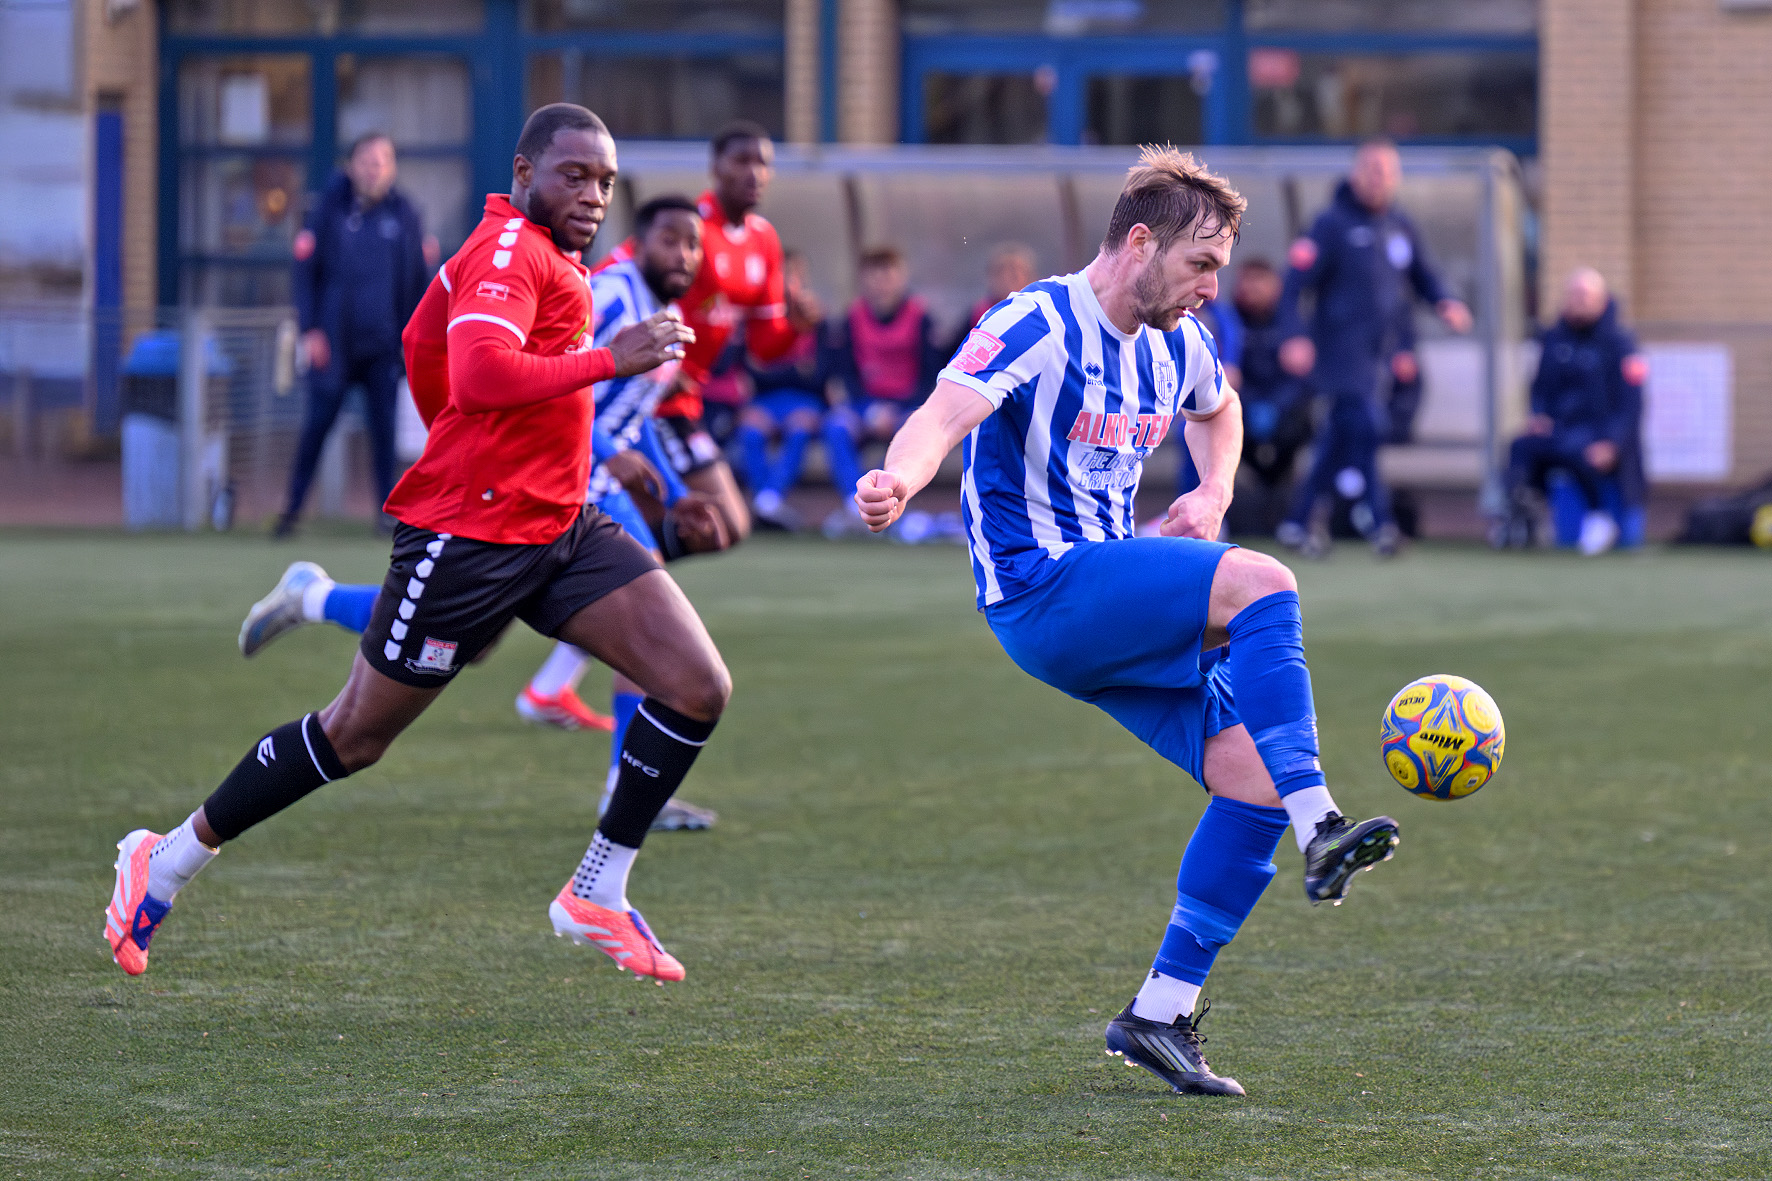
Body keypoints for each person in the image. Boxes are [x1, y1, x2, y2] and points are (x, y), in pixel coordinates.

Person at [106, 104, 726, 985]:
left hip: (558, 525)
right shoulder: (510, 252)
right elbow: (476, 372)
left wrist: (469, 438)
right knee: (354, 736)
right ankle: (164, 856)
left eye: (605, 182)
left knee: (697, 684)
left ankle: (598, 887)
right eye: (574, 175)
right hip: (467, 541)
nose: (593, 195)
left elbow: (421, 341)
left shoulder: (545, 255)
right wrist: (604, 362)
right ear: (524, 172)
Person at [853, 146, 1401, 1098]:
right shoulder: (1036, 321)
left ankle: (1159, 1012)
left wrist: (1215, 491)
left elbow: (1220, 413)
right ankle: (1322, 822)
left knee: (1251, 781)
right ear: (1140, 242)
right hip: (1040, 588)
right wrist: (899, 478)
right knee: (1266, 583)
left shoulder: (1179, 342)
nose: (1212, 286)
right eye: (1201, 263)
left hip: (1102, 599)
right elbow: (943, 414)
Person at [236, 194, 729, 833]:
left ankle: (316, 597)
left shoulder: (665, 314)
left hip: (581, 489)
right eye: (671, 240)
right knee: (394, 700)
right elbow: (558, 381)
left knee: (482, 642)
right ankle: (616, 780)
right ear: (639, 240)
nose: (684, 255)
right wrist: (605, 451)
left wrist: (671, 487)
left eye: (694, 245)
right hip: (555, 482)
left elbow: (632, 415)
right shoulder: (605, 294)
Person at [1274, 139, 1471, 558]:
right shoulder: (1330, 224)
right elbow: (1293, 286)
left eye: (1387, 172)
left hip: (1378, 357)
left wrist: (1446, 303)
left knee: (1340, 439)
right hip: (1339, 355)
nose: (1379, 179)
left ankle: (1298, 522)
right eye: (1372, 170)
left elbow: (1423, 277)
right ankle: (1379, 522)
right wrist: (1293, 336)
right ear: (1356, 174)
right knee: (1365, 426)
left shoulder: (1400, 225)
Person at [634, 121, 821, 544]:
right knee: (708, 523)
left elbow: (764, 349)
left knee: (724, 526)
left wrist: (796, 328)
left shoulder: (764, 240)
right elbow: (620, 275)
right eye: (741, 160)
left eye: (763, 163)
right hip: (645, 393)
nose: (753, 172)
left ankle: (625, 567)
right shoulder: (687, 226)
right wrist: (654, 366)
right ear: (715, 167)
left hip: (682, 401)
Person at [278, 133, 429, 537]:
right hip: (334, 346)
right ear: (351, 166)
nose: (374, 169)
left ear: (391, 168)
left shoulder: (405, 214)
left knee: (384, 436)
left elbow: (419, 282)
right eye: (367, 161)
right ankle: (291, 512)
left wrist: (411, 340)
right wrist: (311, 330)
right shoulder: (327, 209)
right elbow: (305, 275)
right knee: (316, 428)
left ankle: (386, 517)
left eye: (382, 161)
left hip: (383, 347)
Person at [1499, 267, 1645, 555]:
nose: (1577, 302)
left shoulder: (1620, 344)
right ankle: (1518, 515)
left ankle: (1599, 518)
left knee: (1578, 449)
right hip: (1560, 428)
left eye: (1584, 296)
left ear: (1601, 301)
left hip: (1599, 433)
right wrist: (1539, 416)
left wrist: (1612, 443)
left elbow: (1631, 404)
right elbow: (1540, 388)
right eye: (1573, 295)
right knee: (1520, 446)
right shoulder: (1554, 340)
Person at [822, 246, 943, 536]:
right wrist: (868, 409)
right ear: (864, 279)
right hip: (865, 405)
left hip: (908, 406)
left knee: (910, 436)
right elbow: (845, 372)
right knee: (836, 427)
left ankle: (885, 505)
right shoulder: (852, 317)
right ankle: (855, 505)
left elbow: (932, 375)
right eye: (874, 275)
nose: (881, 282)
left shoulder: (921, 317)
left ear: (901, 277)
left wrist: (901, 409)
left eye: (888, 274)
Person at [737, 250, 832, 531]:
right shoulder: (758, 319)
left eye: (795, 276)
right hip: (766, 401)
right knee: (750, 430)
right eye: (781, 275)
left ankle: (768, 500)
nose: (788, 283)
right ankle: (767, 502)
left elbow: (819, 376)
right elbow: (752, 370)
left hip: (805, 401)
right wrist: (795, 371)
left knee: (799, 428)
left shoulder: (817, 321)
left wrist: (777, 373)